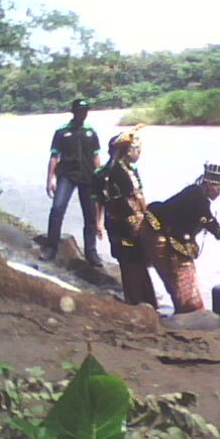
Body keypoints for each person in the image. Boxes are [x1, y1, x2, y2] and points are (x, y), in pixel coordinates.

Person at [140, 163, 220, 314]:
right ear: (208, 184)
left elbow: (210, 224)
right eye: (217, 189)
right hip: (158, 233)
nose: (219, 193)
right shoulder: (198, 197)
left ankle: (182, 307)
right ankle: (186, 309)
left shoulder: (196, 193)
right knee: (181, 279)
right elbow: (211, 223)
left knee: (177, 278)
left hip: (165, 232)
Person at [93, 124, 157, 307]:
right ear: (126, 151)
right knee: (130, 261)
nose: (139, 153)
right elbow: (106, 201)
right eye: (136, 149)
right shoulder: (112, 173)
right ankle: (137, 301)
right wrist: (98, 223)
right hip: (123, 225)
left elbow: (139, 198)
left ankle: (145, 300)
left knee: (137, 261)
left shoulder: (127, 171)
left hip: (129, 223)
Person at [40, 99, 103, 266]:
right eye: (81, 110)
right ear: (74, 112)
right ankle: (51, 247)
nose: (83, 113)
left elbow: (96, 156)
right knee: (57, 208)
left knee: (89, 215)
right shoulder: (62, 132)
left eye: (86, 111)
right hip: (67, 175)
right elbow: (54, 156)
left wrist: (102, 177)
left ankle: (91, 253)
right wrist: (50, 179)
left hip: (88, 177)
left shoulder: (91, 132)